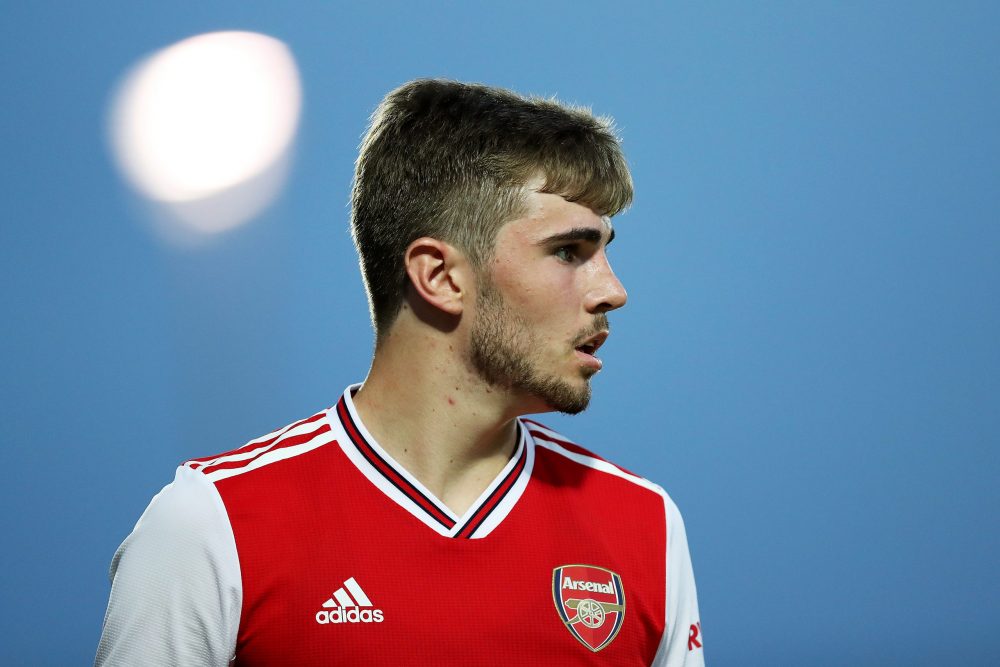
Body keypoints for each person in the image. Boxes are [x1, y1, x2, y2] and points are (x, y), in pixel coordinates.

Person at [96, 79, 704, 666]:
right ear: (439, 276)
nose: (614, 291)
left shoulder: (644, 524)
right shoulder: (211, 524)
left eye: (604, 251)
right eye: (569, 252)